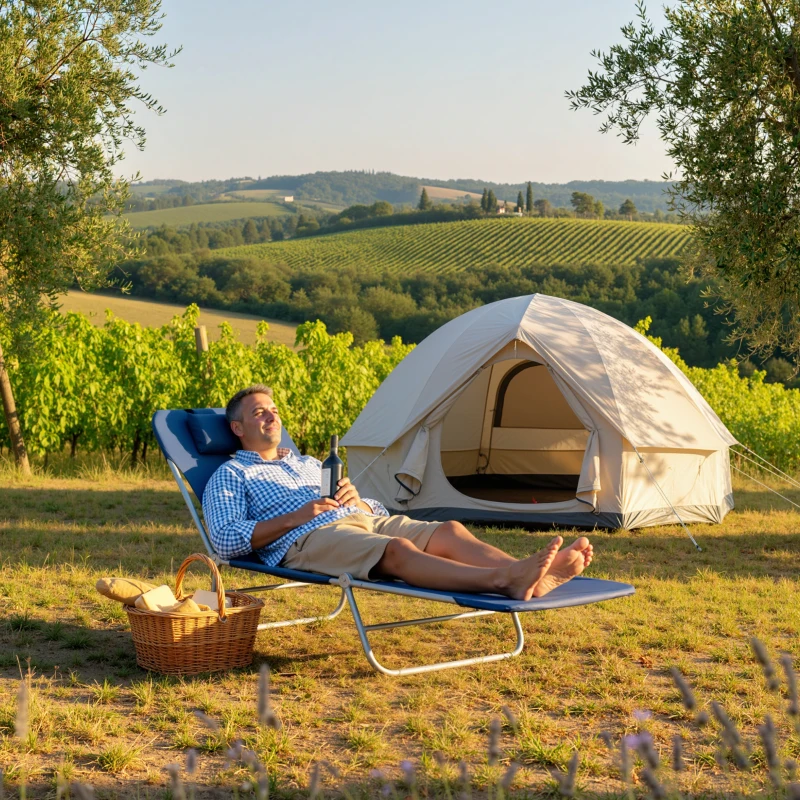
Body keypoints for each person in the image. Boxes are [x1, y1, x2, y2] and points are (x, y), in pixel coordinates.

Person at [203, 385, 593, 601]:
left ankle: (529, 578)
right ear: (238, 428)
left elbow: (375, 510)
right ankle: (502, 580)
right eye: (259, 412)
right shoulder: (232, 473)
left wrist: (358, 499)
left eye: (273, 410)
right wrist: (298, 516)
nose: (271, 416)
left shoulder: (307, 462)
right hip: (308, 538)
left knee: (449, 531)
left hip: (360, 519)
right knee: (397, 551)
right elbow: (224, 539)